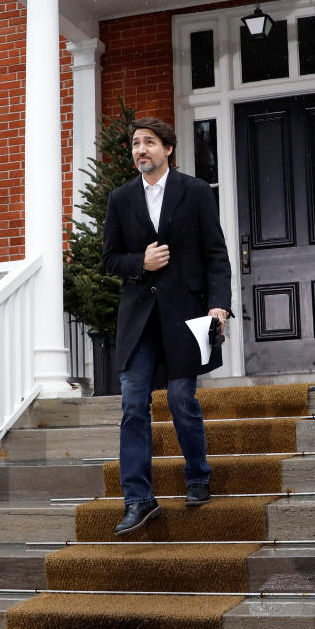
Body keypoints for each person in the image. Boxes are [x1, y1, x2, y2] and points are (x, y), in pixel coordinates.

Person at [102, 117, 232, 535]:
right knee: (132, 405)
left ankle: (197, 475)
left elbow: (216, 253)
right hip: (138, 320)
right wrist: (140, 262)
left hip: (185, 315)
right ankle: (138, 500)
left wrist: (219, 307)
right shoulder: (121, 199)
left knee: (181, 399)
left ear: (168, 149)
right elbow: (109, 259)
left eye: (150, 143)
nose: (141, 149)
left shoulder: (194, 192)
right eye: (136, 143)